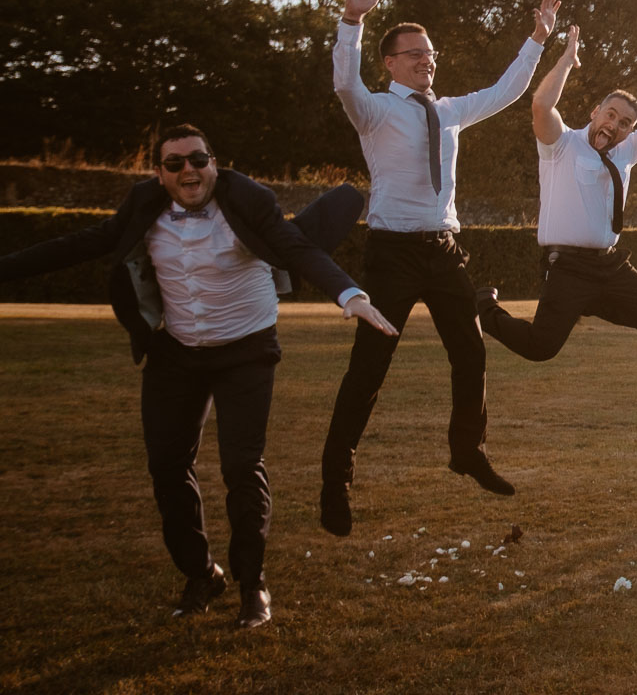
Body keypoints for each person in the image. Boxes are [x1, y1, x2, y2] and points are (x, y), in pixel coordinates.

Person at [0, 125, 395, 627]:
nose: (188, 170)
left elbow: (296, 248)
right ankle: (201, 573)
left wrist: (350, 294)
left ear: (213, 162)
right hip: (177, 352)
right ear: (159, 173)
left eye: (197, 159)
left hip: (246, 351)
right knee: (167, 466)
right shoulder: (144, 205)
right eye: (174, 163)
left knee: (241, 466)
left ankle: (253, 585)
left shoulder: (248, 198)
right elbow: (83, 243)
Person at [320, 0, 559, 537]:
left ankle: (466, 451)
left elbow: (507, 91)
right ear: (391, 63)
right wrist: (351, 19)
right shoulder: (373, 110)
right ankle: (336, 480)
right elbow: (344, 83)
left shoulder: (450, 111)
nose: (427, 60)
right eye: (414, 54)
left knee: (471, 353)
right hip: (392, 255)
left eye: (430, 53)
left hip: (444, 250)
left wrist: (536, 39)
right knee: (368, 369)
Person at [475, 22, 637, 360]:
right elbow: (542, 106)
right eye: (610, 115)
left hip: (610, 265)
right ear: (595, 113)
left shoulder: (627, 150)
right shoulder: (562, 144)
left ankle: (590, 301)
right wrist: (566, 61)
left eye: (624, 123)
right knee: (539, 348)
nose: (614, 125)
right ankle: (485, 308)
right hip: (567, 267)